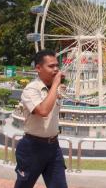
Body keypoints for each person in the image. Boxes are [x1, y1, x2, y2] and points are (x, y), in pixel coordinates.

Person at [14, 50, 68, 188]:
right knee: (24, 185)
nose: (56, 69)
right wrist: (56, 85)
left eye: (57, 65)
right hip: (32, 147)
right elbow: (43, 111)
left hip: (54, 147)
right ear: (38, 68)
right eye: (51, 66)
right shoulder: (31, 90)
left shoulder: (55, 89)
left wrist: (56, 88)